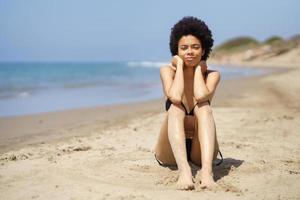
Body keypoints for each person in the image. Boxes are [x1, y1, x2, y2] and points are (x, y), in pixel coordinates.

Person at [154, 16, 222, 190]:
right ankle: (184, 172)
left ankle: (207, 173)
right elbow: (175, 97)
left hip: (202, 150)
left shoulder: (212, 75)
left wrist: (199, 69)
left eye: (195, 47)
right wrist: (179, 67)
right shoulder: (166, 71)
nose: (189, 52)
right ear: (176, 50)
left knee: (204, 106)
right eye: (183, 48)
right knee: (176, 108)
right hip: (171, 151)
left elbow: (201, 95)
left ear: (203, 50)